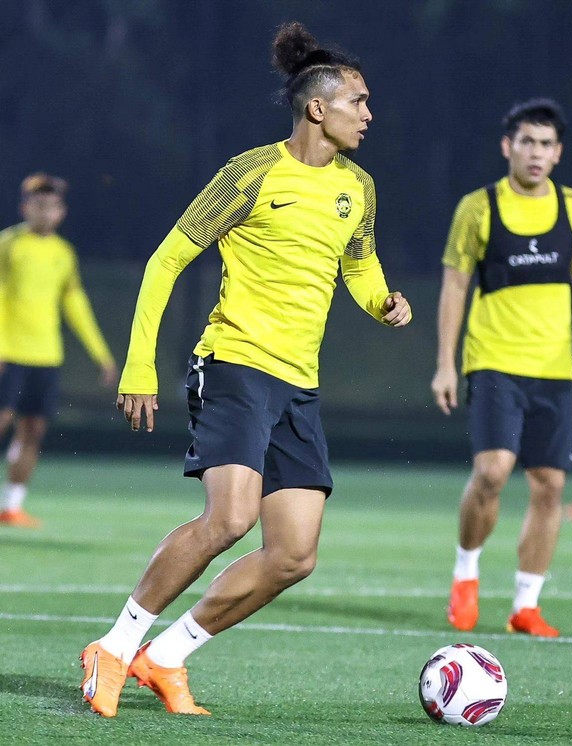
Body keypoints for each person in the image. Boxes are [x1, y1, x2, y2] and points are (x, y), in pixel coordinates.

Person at [80, 21, 411, 718]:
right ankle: (113, 646)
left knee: (293, 555)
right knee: (228, 519)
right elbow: (166, 259)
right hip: (234, 364)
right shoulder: (250, 174)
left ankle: (165, 658)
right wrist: (139, 364)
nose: (369, 114)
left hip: (298, 385)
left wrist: (383, 302)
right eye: (359, 100)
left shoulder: (359, 187)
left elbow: (357, 264)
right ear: (317, 108)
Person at [431, 98, 572, 638]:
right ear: (508, 146)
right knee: (492, 471)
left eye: (546, 144)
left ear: (558, 154)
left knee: (550, 484)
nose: (536, 153)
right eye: (527, 142)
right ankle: (466, 576)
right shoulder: (479, 207)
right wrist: (445, 363)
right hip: (492, 359)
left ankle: (525, 605)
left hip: (554, 366)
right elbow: (455, 284)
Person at [0, 173, 117, 528]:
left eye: (52, 207)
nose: (45, 214)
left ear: (61, 212)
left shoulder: (63, 254)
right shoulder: (9, 244)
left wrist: (102, 355)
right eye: (38, 206)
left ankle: (11, 506)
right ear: (25, 208)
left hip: (46, 357)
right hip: (9, 354)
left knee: (32, 431)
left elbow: (75, 305)